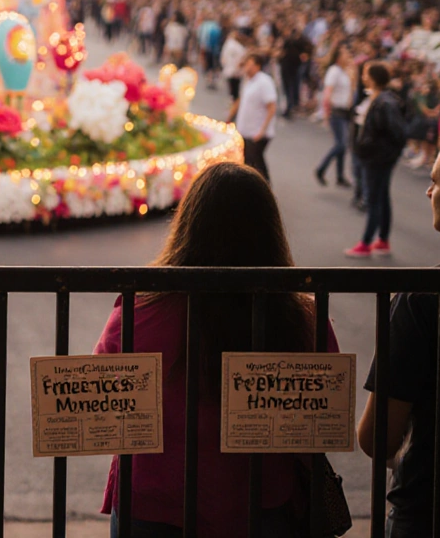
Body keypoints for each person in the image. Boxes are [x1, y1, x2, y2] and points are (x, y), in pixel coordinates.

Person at [96, 162, 339, 538]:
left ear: (187, 225)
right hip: (264, 506)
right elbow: (322, 418)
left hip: (155, 505)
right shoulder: (305, 318)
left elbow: (104, 407)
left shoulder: (137, 313)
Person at [358, 127, 440, 536]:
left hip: (435, 510)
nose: (428, 192)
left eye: (434, 182)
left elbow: (377, 437)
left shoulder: (423, 296)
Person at [347, 62, 406, 257]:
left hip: (377, 159)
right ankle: (382, 240)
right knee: (381, 197)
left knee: (373, 199)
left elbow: (397, 133)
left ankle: (366, 242)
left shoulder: (384, 102)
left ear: (372, 77)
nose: (363, 76)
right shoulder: (376, 98)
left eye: (365, 73)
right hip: (374, 157)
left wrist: (385, 153)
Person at [229, 51, 278, 182]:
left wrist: (262, 130)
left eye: (249, 64)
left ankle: (265, 186)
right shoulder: (248, 80)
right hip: (246, 131)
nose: (246, 67)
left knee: (255, 163)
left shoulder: (264, 82)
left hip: (256, 133)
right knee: (248, 162)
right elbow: (241, 99)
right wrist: (230, 116)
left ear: (257, 66)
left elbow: (271, 107)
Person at [315, 44, 354, 187]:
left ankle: (340, 175)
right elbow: (328, 93)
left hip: (344, 111)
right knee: (341, 144)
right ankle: (321, 168)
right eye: (344, 54)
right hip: (336, 111)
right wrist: (326, 112)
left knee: (342, 145)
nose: (347, 56)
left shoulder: (345, 72)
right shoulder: (334, 71)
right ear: (338, 57)